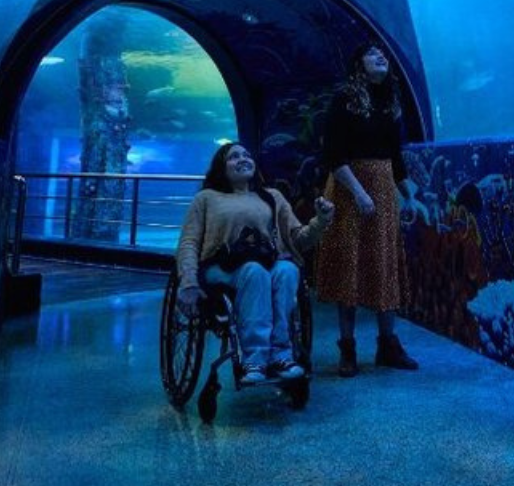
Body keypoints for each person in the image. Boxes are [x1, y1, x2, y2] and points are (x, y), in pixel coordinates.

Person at [176, 142, 334, 384]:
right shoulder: (206, 198)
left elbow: (299, 240)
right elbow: (189, 242)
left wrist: (321, 220)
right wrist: (187, 282)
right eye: (234, 157)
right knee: (254, 271)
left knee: (288, 269)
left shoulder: (272, 197)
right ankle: (255, 359)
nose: (243, 159)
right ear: (221, 167)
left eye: (247, 155)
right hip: (220, 269)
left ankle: (281, 354)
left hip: (265, 263)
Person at [315, 41, 419, 376]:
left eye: (384, 55)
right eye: (374, 54)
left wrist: (410, 194)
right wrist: (359, 192)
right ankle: (348, 347)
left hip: (383, 187)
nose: (382, 57)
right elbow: (333, 155)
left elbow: (395, 156)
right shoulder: (344, 98)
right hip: (349, 188)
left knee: (383, 263)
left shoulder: (390, 101)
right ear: (359, 63)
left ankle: (387, 344)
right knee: (350, 263)